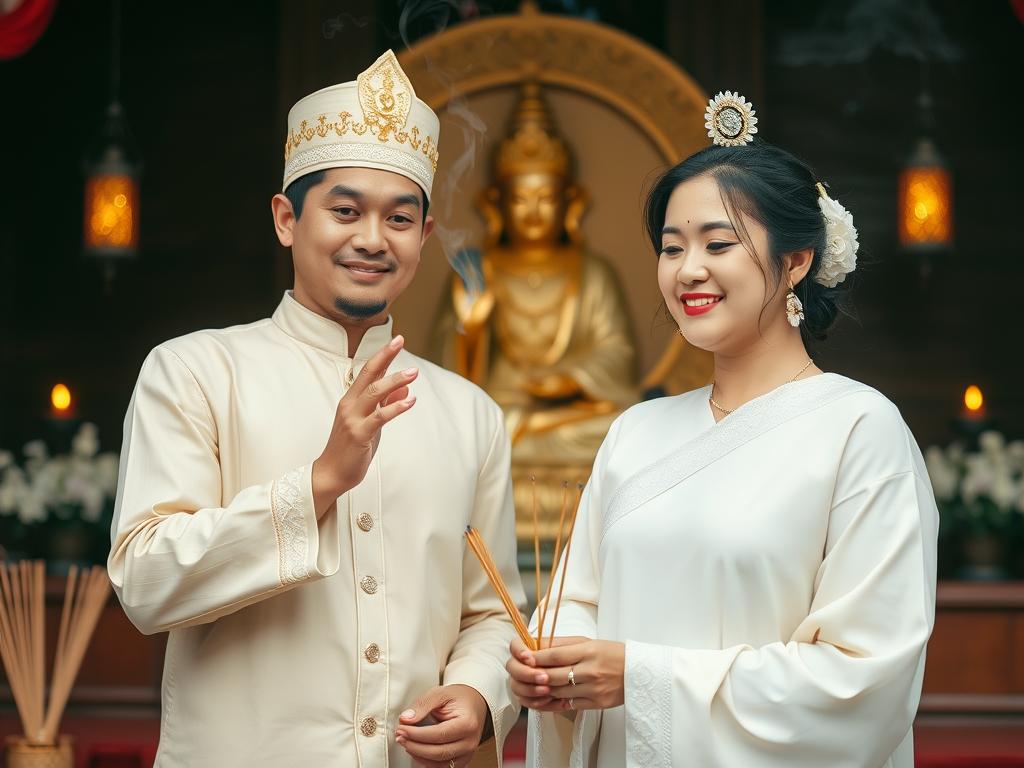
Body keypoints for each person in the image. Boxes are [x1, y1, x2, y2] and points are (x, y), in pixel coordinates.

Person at [108, 50, 524, 768]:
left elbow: (492, 613)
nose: (371, 238)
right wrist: (320, 482)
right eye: (344, 210)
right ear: (285, 218)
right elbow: (143, 582)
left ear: (424, 238)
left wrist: (481, 696)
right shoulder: (195, 372)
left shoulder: (470, 414)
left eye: (399, 218)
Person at [507, 91, 938, 768]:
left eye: (718, 243)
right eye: (671, 247)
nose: (688, 270)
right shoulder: (635, 431)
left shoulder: (859, 429)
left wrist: (641, 678)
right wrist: (554, 654)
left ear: (795, 261)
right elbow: (578, 597)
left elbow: (863, 678)